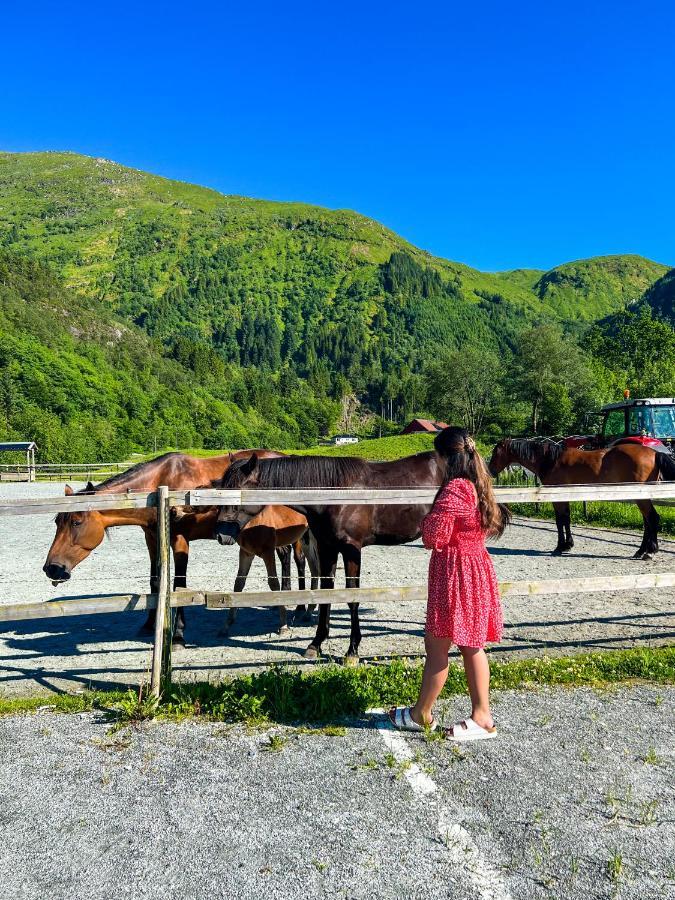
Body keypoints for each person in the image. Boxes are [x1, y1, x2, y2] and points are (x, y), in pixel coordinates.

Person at [389, 425, 510, 741]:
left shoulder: (455, 489)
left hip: (455, 573)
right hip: (472, 568)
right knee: (470, 645)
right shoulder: (475, 484)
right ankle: (468, 714)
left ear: (445, 457)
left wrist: (426, 519)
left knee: (438, 646)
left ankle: (427, 714)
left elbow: (433, 536)